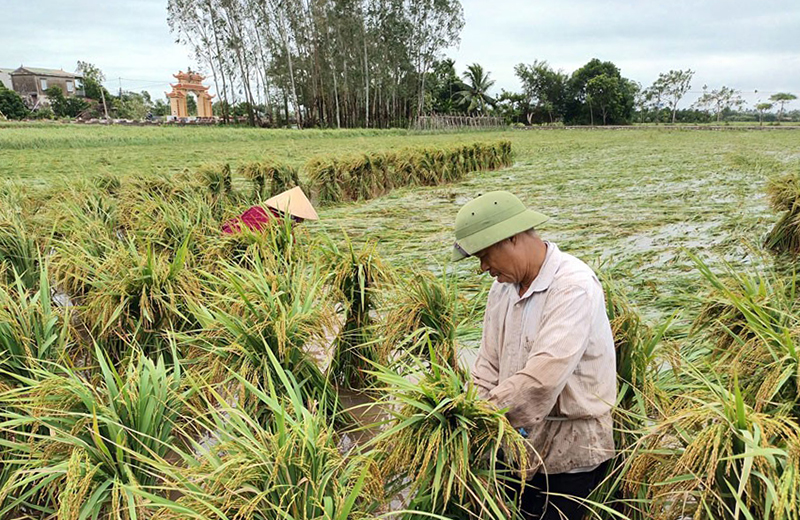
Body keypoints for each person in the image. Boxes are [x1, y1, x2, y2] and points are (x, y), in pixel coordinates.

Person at [451, 190, 616, 520]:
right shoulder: (502, 288)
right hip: (517, 443)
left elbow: (543, 377)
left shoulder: (572, 285)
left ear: (511, 238)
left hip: (570, 449)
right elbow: (487, 364)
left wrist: (483, 416)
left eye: (485, 255)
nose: (483, 268)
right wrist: (468, 413)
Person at [222, 186, 319, 234]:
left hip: (227, 234)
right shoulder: (277, 223)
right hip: (238, 241)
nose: (296, 224)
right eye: (296, 221)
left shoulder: (257, 209)